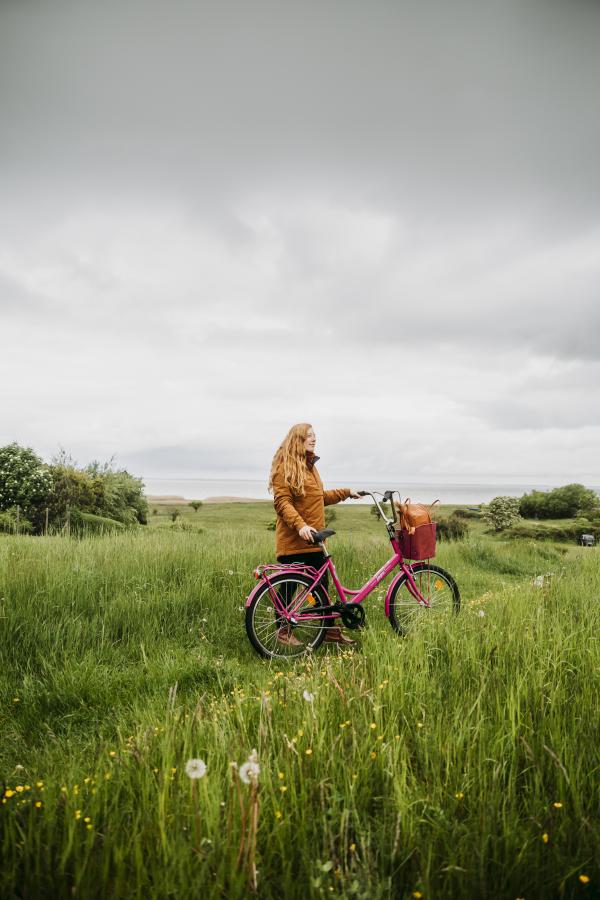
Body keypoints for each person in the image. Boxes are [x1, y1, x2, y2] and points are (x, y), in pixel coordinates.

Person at [268, 423, 360, 647]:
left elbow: (319, 497)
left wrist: (346, 493)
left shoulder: (310, 467)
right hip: (295, 541)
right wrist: (300, 526)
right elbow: (282, 502)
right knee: (289, 587)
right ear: (296, 439)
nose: (313, 438)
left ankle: (328, 630)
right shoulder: (284, 467)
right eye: (308, 436)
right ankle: (283, 632)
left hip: (314, 541)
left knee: (322, 590)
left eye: (314, 435)